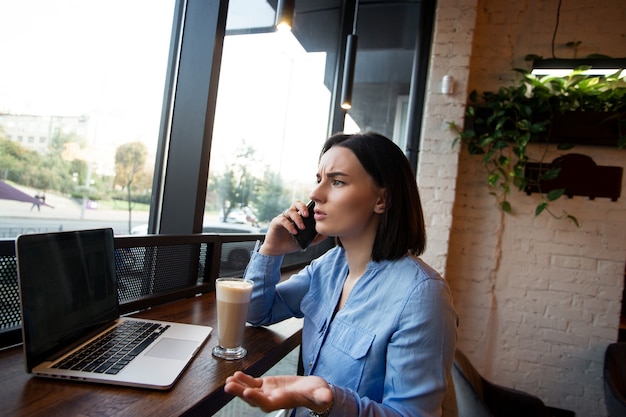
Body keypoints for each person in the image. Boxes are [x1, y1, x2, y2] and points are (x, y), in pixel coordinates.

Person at [225, 132, 458, 417]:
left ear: (382, 200)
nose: (315, 194)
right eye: (319, 179)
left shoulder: (422, 295)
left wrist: (329, 400)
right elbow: (258, 312)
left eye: (337, 181)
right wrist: (272, 250)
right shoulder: (329, 267)